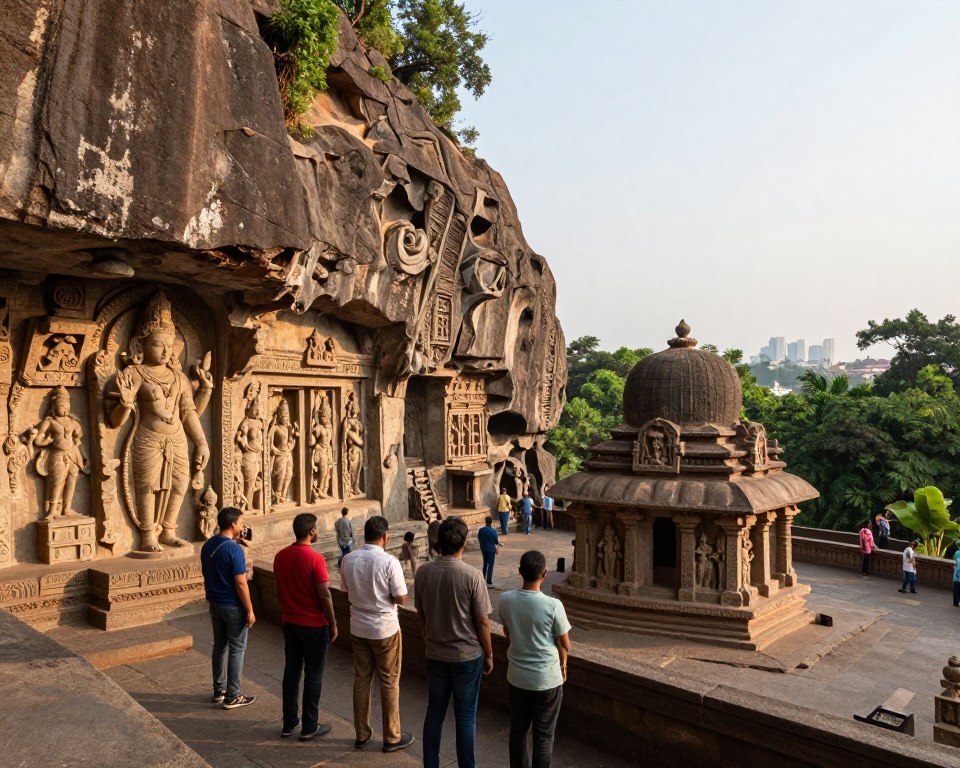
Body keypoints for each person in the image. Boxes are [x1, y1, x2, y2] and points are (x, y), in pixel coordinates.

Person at [415, 517, 494, 768]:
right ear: (462, 543)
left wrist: (428, 638)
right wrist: (490, 654)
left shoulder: (424, 572)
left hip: (436, 652)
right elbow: (482, 622)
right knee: (466, 716)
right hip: (466, 655)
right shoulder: (472, 576)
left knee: (435, 712)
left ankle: (431, 764)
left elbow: (421, 613)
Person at [340, 516, 415, 753]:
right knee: (389, 681)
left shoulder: (348, 559)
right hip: (384, 628)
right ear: (385, 537)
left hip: (358, 625)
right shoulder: (389, 562)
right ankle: (391, 736)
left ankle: (362, 733)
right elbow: (401, 597)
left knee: (362, 679)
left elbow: (345, 590)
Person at [499, 550, 571, 768]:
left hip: (518, 676)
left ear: (520, 572)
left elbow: (508, 632)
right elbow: (565, 644)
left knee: (518, 731)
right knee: (543, 736)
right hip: (547, 679)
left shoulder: (506, 599)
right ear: (545, 573)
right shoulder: (553, 605)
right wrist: (564, 662)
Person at [273, 513, 338, 740]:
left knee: (291, 672)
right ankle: (310, 725)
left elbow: (279, 591)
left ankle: (289, 722)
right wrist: (333, 622)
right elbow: (324, 594)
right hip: (313, 624)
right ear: (311, 531)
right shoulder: (314, 558)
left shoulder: (280, 556)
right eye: (316, 528)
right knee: (313, 675)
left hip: (290, 622)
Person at [200, 506, 255, 709]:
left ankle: (219, 690)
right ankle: (234, 695)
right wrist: (250, 610)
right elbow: (241, 583)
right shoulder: (233, 549)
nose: (242, 525)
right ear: (233, 524)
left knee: (219, 646)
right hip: (232, 604)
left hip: (215, 602)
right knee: (237, 649)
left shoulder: (208, 545)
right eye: (241, 522)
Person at [477, 517, 500, 587]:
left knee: (485, 564)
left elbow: (479, 538)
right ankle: (489, 582)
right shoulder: (493, 531)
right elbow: (496, 541)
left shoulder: (481, 530)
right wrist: (497, 549)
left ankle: (484, 579)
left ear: (485, 521)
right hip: (491, 550)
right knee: (490, 565)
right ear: (491, 522)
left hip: (483, 549)